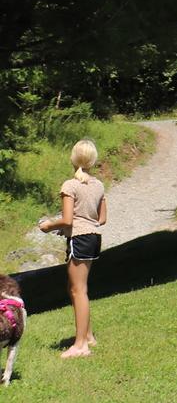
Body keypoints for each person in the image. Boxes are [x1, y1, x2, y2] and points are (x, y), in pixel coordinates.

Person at [38, 139, 106, 358]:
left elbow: (68, 220)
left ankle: (80, 346)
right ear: (93, 160)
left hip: (80, 238)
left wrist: (49, 225)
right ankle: (87, 336)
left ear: (73, 158)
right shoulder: (98, 185)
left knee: (78, 290)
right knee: (75, 287)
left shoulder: (70, 185)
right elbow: (102, 218)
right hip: (94, 237)